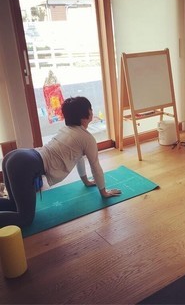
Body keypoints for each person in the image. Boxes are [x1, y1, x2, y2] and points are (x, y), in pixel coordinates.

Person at [0, 96, 121, 227]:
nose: (92, 111)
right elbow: (95, 167)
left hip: (16, 156)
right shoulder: (86, 138)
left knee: (13, 204)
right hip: (24, 164)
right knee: (25, 218)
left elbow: (78, 157)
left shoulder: (68, 130)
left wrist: (86, 181)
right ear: (85, 116)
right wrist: (104, 192)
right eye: (90, 108)